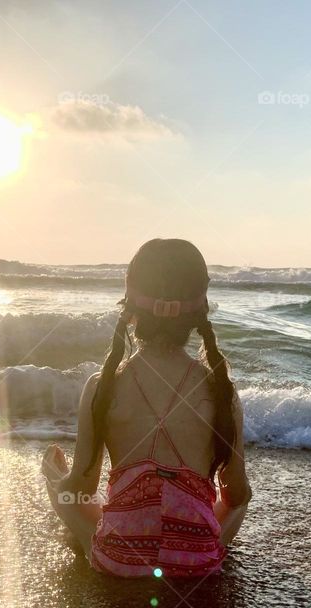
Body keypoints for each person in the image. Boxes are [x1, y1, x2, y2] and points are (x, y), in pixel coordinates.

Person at [42, 238, 251, 577]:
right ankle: (198, 544)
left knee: (69, 499)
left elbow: (82, 488)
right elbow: (237, 492)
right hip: (195, 565)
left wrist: (58, 483)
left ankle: (59, 489)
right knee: (238, 503)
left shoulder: (102, 385)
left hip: (119, 560)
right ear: (200, 309)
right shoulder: (221, 390)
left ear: (130, 306)